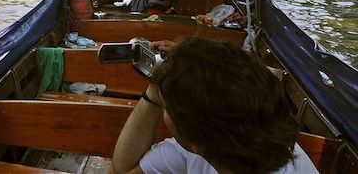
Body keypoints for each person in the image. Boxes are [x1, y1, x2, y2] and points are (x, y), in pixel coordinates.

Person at [111, 37, 317, 174]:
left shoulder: (204, 146)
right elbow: (124, 170)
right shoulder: (233, 140)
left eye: (167, 108)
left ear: (197, 143)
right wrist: (158, 85)